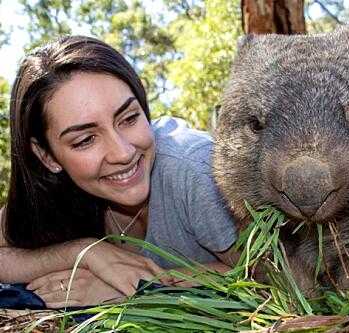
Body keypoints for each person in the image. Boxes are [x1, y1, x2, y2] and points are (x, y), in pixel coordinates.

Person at [0, 36, 238, 308]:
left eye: (129, 118)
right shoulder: (55, 189)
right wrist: (85, 253)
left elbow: (275, 276)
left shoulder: (195, 169)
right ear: (47, 156)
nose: (123, 153)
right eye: (85, 140)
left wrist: (141, 289)